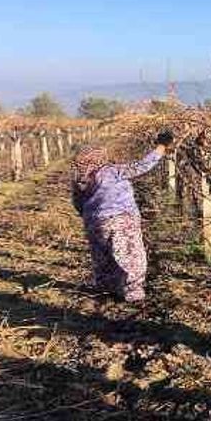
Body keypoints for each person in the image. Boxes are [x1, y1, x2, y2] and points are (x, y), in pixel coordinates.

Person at [70, 129, 174, 303]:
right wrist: (161, 147)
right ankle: (133, 292)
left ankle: (106, 289)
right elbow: (141, 166)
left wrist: (91, 217)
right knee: (130, 254)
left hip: (95, 222)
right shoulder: (112, 171)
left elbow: (77, 203)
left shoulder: (81, 179)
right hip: (122, 219)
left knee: (103, 256)